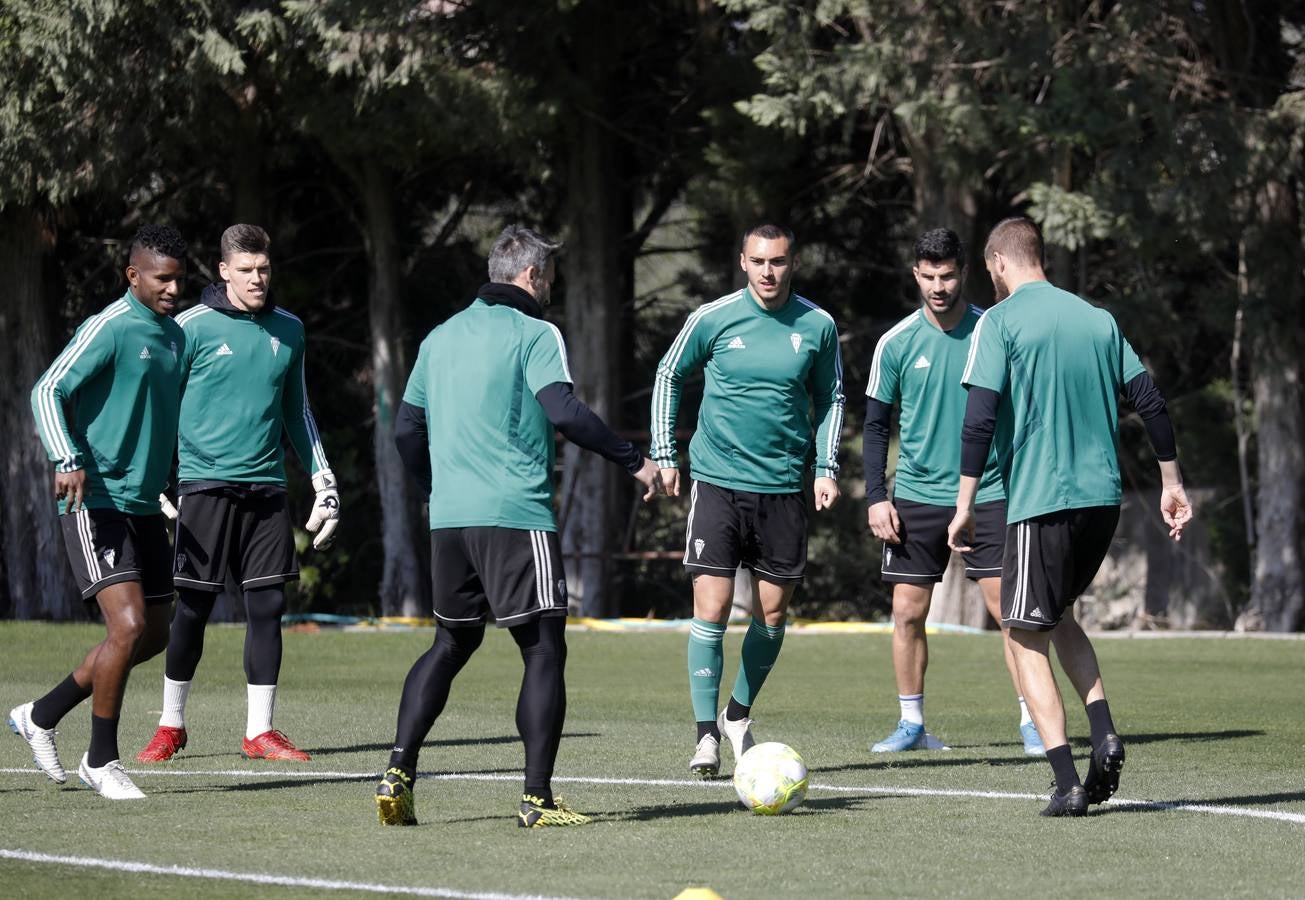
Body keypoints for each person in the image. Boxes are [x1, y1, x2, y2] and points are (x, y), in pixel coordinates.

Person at [375, 225, 661, 828]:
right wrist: (635, 462)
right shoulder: (536, 331)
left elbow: (405, 431)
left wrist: (436, 490)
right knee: (543, 649)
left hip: (449, 520)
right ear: (531, 276)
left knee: (451, 642)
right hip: (514, 515)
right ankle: (537, 798)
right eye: (550, 276)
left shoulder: (440, 335)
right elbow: (564, 411)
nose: (552, 286)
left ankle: (397, 770)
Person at [947, 217, 1192, 817]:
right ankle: (1103, 732)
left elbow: (979, 419)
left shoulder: (998, 323)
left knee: (1022, 632)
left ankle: (1065, 782)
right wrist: (1171, 482)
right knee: (1057, 617)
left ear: (1000, 265)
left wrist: (963, 505)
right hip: (1102, 503)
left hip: (1040, 502)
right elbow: (1151, 402)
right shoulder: (1098, 319)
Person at [136, 224, 337, 765]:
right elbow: (161, 406)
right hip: (203, 486)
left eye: (264, 269)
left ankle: (260, 732)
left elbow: (298, 410)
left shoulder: (289, 330)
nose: (257, 279)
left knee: (268, 606)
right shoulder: (189, 327)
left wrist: (324, 480)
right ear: (223, 270)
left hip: (267, 488)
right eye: (245, 270)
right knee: (194, 609)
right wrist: (155, 477)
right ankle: (170, 726)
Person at [650, 223, 845, 777]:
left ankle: (738, 714)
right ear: (742, 261)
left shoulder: (817, 325)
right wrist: (666, 454)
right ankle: (705, 734)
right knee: (710, 609)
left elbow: (832, 396)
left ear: (793, 262)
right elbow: (669, 373)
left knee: (773, 614)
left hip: (783, 489)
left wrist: (826, 467)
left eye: (778, 261)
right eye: (758, 261)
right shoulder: (712, 319)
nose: (767, 271)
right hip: (716, 482)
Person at [10, 224, 188, 800]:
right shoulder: (108, 327)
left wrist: (171, 480)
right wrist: (67, 456)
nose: (172, 290)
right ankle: (101, 759)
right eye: (162, 279)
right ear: (133, 276)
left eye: (178, 280)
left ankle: (41, 713)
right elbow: (46, 390)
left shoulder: (174, 338)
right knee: (128, 626)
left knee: (154, 635)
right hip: (95, 501)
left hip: (143, 505)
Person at [864, 228, 1043, 756]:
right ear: (915, 274)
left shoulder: (996, 329)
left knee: (1010, 613)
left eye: (947, 275)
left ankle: (1034, 720)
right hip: (916, 495)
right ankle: (912, 724)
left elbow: (1026, 410)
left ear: (965, 272)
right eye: (928, 276)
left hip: (990, 491)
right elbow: (876, 427)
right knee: (907, 613)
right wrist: (877, 496)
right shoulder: (895, 343)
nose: (938, 286)